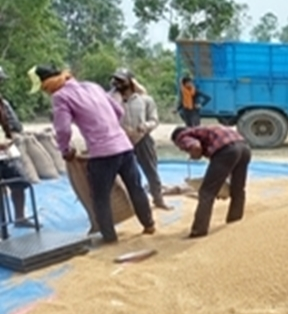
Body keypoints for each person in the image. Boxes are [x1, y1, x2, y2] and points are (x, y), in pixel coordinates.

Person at [27, 64, 156, 243]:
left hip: (103, 154)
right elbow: (118, 111)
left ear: (47, 84)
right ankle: (149, 225)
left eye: (43, 88)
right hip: (124, 146)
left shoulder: (60, 97)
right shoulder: (92, 86)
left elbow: (63, 129)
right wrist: (110, 128)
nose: (44, 92)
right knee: (136, 188)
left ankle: (109, 237)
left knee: (99, 197)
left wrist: (65, 150)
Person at [170, 124, 250, 238]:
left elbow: (196, 147)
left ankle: (199, 231)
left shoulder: (182, 136)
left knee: (206, 193)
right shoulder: (206, 129)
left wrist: (194, 155)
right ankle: (235, 221)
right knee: (238, 189)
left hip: (226, 151)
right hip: (244, 148)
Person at [109, 68, 172, 210]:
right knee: (120, 174)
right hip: (120, 141)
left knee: (151, 170)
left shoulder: (145, 100)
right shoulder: (111, 100)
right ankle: (124, 206)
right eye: (115, 80)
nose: (117, 83)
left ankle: (158, 199)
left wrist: (145, 126)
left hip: (142, 139)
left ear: (130, 81)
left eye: (121, 80)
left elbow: (154, 120)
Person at [0, 66, 37, 229]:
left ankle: (20, 218)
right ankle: (2, 226)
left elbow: (16, 126)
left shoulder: (3, 103)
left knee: (20, 182)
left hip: (7, 152)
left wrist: (10, 139)